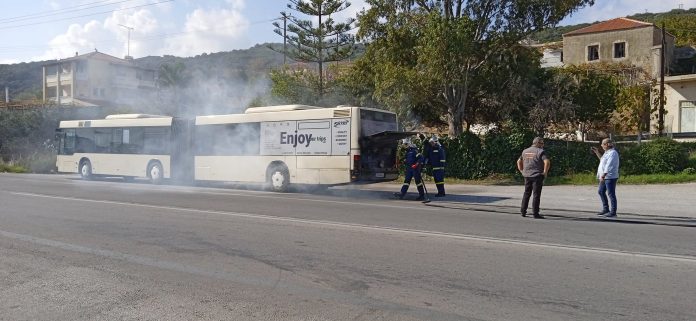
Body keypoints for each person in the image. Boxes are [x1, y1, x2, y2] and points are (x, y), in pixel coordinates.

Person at [516, 137, 551, 219]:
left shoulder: (525, 151)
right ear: (538, 143)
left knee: (527, 193)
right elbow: (547, 162)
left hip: (527, 175)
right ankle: (535, 213)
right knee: (536, 194)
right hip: (537, 175)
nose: (543, 145)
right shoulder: (540, 151)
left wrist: (521, 170)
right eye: (542, 143)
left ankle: (523, 211)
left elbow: (518, 161)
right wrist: (545, 172)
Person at [591, 138, 620, 218]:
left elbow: (609, 165)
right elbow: (602, 160)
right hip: (604, 176)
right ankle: (606, 209)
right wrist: (597, 152)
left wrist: (603, 175)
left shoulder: (613, 153)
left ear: (607, 145)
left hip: (610, 176)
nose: (601, 145)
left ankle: (613, 212)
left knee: (611, 194)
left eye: (602, 144)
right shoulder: (607, 153)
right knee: (601, 191)